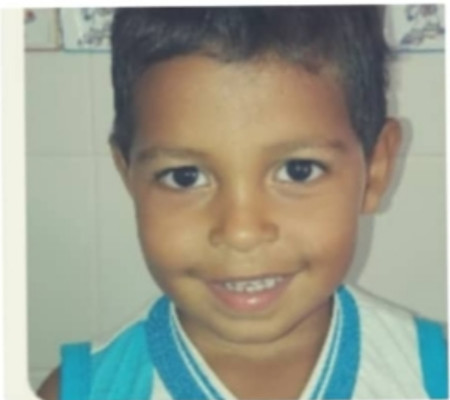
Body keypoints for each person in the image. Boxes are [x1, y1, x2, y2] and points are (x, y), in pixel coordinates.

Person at [37, 6, 448, 400]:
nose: (241, 232)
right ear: (129, 177)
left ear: (374, 170)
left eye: (298, 171)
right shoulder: (80, 391)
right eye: (185, 177)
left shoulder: (432, 377)